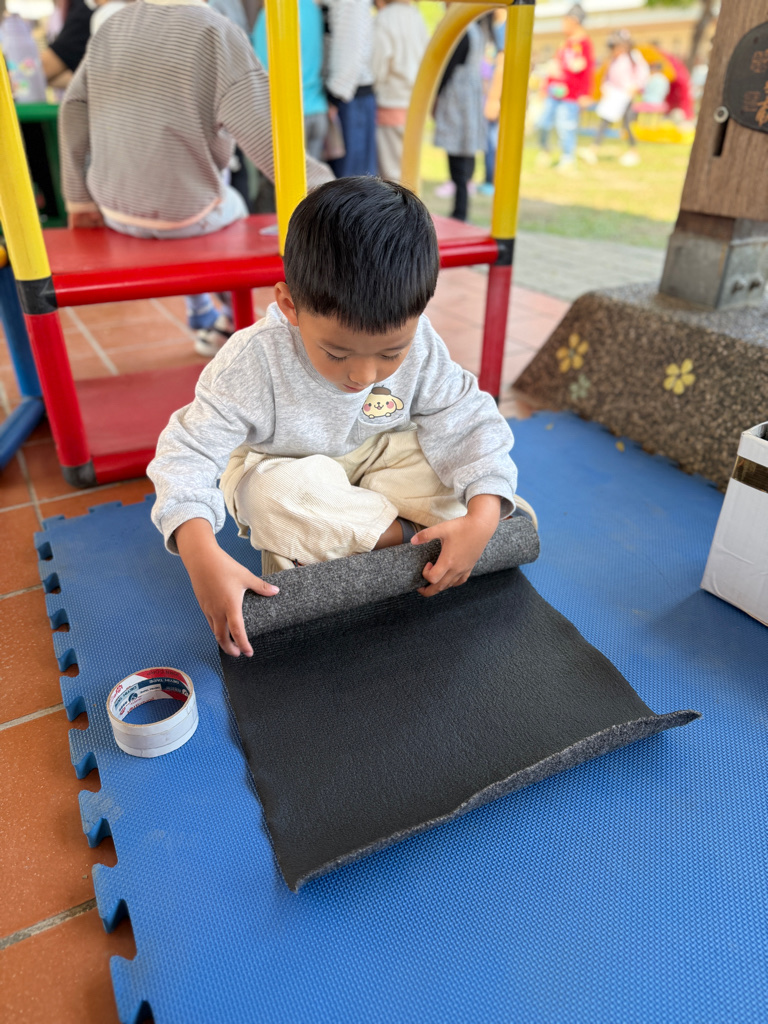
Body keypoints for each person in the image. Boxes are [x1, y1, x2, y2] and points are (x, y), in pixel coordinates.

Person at [147, 177, 528, 658]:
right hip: (284, 465)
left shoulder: (422, 342)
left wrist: (484, 511)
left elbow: (467, 419)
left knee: (465, 472)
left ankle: (385, 536)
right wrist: (201, 556)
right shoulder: (252, 361)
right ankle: (412, 536)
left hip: (382, 454)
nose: (364, 376)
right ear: (290, 305)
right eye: (336, 352)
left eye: (390, 353)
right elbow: (186, 453)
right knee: (269, 497)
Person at [58, 0, 330, 357]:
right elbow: (268, 141)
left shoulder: (111, 26)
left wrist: (78, 199)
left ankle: (200, 305)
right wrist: (330, 191)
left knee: (203, 189)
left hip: (114, 211)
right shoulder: (216, 32)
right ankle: (231, 319)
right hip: (187, 215)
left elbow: (73, 107)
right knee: (230, 202)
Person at [253, 0, 328, 161]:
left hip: (286, 117)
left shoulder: (270, 14)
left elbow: (259, 66)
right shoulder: (313, 9)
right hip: (318, 109)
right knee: (316, 176)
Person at [371, 0, 428, 182]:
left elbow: (378, 64)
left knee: (391, 175)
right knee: (411, 170)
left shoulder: (384, 19)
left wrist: (373, 87)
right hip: (416, 103)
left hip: (390, 101)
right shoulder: (417, 17)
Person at [433, 22, 485, 221]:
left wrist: (435, 95)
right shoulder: (477, 29)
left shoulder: (462, 28)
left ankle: (460, 211)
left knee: (458, 154)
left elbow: (448, 66)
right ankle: (461, 208)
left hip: (458, 96)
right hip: (469, 94)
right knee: (465, 150)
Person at [536, 3, 594, 172]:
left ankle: (568, 158)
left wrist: (586, 94)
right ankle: (545, 150)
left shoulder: (584, 44)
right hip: (554, 91)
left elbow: (588, 71)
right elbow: (555, 65)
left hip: (571, 94)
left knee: (565, 126)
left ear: (573, 21)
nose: (562, 25)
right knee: (542, 123)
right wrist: (545, 86)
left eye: (564, 21)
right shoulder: (566, 43)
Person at [325, 0, 377, 177]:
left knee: (351, 180)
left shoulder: (350, 4)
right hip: (347, 94)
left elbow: (350, 50)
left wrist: (334, 98)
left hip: (348, 96)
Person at [581, 30, 648, 168]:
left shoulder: (633, 57)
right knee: (607, 121)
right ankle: (594, 149)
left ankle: (631, 152)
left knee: (624, 124)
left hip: (626, 96)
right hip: (614, 95)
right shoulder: (614, 59)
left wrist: (635, 87)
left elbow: (643, 73)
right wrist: (605, 88)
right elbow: (608, 76)